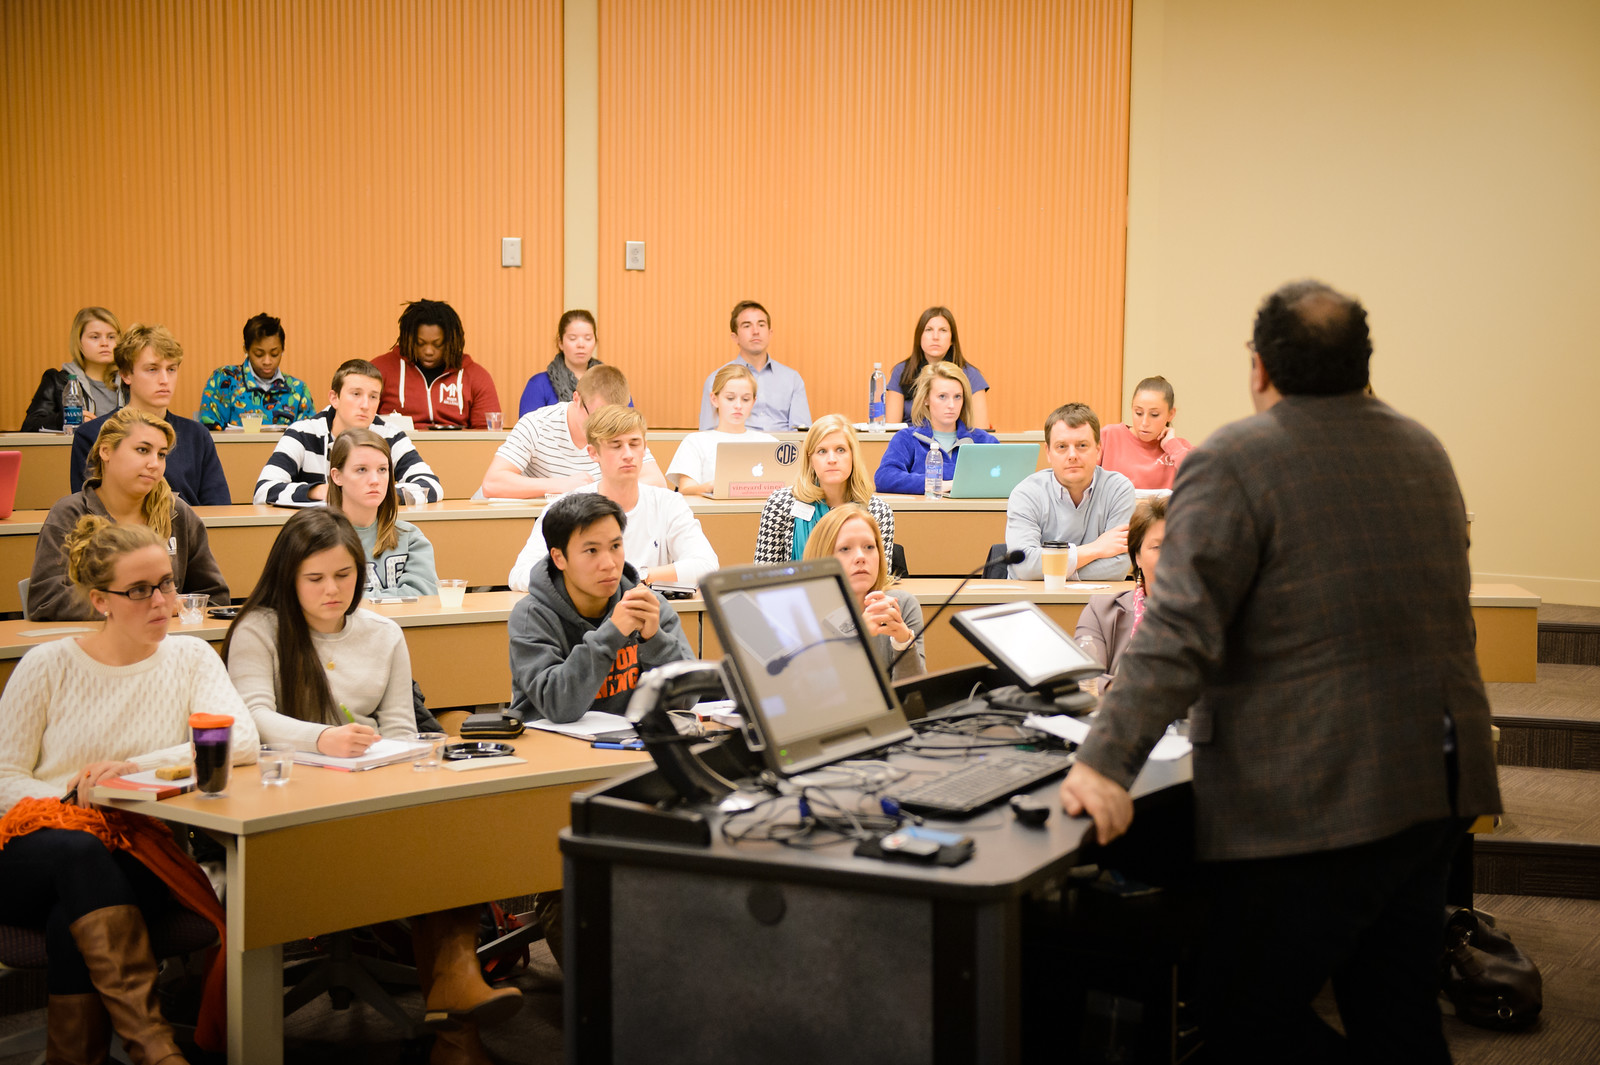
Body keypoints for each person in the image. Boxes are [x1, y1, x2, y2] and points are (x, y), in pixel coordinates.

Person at [1059, 280, 1502, 1063]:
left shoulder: (1235, 458)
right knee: (1396, 1014)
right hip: (1436, 778)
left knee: (1239, 1013)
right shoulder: (1422, 448)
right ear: (1363, 362)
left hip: (1321, 787)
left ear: (1259, 367)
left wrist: (1103, 764)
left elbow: (1176, 632)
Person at [223, 507, 520, 1062]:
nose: (332, 590)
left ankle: (457, 998)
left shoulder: (383, 632)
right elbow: (252, 716)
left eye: (345, 576)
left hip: (371, 788)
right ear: (288, 577)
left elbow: (401, 730)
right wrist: (322, 739)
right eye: (315, 579)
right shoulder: (260, 629)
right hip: (287, 801)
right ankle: (457, 1025)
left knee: (455, 829)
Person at [0, 516, 259, 1063]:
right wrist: (71, 804)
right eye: (139, 590)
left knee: (72, 912)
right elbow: (3, 777)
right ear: (100, 601)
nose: (162, 600)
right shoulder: (46, 664)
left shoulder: (191, 658)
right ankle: (156, 1049)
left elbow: (238, 743)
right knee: (79, 848)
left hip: (141, 852)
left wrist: (127, 772)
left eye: (166, 582)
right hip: (35, 849)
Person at [30, 408, 229, 621]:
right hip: (98, 646)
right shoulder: (69, 514)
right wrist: (138, 607)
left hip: (167, 644)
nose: (155, 464)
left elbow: (214, 598)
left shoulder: (178, 513)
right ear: (105, 451)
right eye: (143, 450)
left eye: (161, 454)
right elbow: (46, 599)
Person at [508, 406, 719, 592]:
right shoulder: (565, 507)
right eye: (616, 445)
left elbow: (706, 566)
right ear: (593, 453)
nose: (627, 454)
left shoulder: (668, 503)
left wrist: (637, 577)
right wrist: (589, 582)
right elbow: (521, 575)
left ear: (644, 447)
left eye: (634, 444)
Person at [69, 324, 231, 507]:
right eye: (152, 369)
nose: (164, 380)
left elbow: (218, 507)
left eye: (171, 369)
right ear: (125, 375)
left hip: (187, 531)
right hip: (118, 534)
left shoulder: (197, 435)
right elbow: (87, 510)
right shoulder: (92, 434)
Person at [254, 359, 443, 505]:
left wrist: (375, 495)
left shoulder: (390, 435)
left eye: (373, 396)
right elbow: (264, 490)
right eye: (356, 394)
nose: (365, 405)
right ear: (334, 398)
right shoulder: (302, 433)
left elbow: (431, 487)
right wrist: (323, 492)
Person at [480, 364, 666, 497]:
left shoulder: (621, 427)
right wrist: (561, 485)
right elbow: (493, 482)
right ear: (576, 399)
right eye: (596, 416)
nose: (605, 427)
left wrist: (598, 489)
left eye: (613, 418)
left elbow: (656, 481)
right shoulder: (537, 423)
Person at [1005, 403, 1134, 580]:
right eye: (1062, 447)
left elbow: (1118, 567)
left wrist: (1051, 571)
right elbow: (1025, 567)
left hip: (1097, 602)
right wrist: (1095, 549)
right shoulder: (1027, 494)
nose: (1072, 455)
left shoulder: (1118, 489)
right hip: (1032, 600)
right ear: (1048, 453)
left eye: (1082, 445)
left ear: (1098, 450)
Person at [802, 503, 925, 679]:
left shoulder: (901, 605)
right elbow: (811, 695)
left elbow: (915, 698)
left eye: (869, 547)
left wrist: (903, 643)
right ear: (822, 557)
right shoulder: (805, 612)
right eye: (845, 549)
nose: (860, 557)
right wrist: (856, 638)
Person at [754, 414, 896, 564]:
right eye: (822, 451)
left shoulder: (878, 511)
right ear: (810, 461)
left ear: (853, 456)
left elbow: (879, 577)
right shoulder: (781, 504)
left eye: (840, 450)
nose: (832, 459)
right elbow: (764, 575)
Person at [326, 428, 438, 598]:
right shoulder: (314, 539)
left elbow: (424, 595)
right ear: (337, 476)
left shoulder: (410, 538)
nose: (375, 481)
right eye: (361, 470)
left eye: (382, 470)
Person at [1073, 495, 1165, 693]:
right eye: (1158, 547)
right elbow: (1083, 675)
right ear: (1137, 556)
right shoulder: (1103, 609)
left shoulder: (1217, 613)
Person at [371, 299, 502, 429]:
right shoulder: (380, 370)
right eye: (420, 343)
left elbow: (486, 433)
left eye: (438, 344)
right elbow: (361, 424)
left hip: (457, 448)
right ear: (408, 339)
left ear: (451, 342)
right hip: (395, 447)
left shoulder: (476, 377)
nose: (428, 351)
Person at [873, 361, 999, 494]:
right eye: (942, 396)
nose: (951, 405)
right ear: (926, 398)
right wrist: (935, 485)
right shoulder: (906, 438)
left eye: (957, 397)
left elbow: (1004, 479)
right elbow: (884, 478)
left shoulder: (985, 442)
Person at [696, 301, 812, 431]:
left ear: (770, 333)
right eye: (747, 326)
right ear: (735, 337)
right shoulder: (716, 379)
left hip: (781, 449)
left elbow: (802, 432)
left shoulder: (792, 378)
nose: (756, 331)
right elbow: (707, 433)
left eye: (761, 325)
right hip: (737, 449)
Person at [667, 363, 777, 495]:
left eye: (745, 399)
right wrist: (713, 486)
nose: (738, 405)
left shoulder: (769, 443)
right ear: (714, 399)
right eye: (730, 398)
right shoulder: (696, 442)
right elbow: (686, 489)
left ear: (753, 402)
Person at [197, 313, 316, 429]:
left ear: (283, 349)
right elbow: (209, 431)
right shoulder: (224, 379)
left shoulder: (298, 390)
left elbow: (309, 437)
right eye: (259, 354)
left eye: (274, 354)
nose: (267, 361)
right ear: (246, 349)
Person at [883, 306, 990, 429]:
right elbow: (891, 429)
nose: (935, 337)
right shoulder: (902, 371)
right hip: (911, 443)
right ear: (919, 337)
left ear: (952, 340)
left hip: (955, 443)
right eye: (928, 330)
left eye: (943, 330)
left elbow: (982, 432)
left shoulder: (970, 374)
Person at [21, 307, 125, 432]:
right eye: (95, 337)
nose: (105, 343)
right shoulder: (58, 381)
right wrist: (66, 419)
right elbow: (30, 425)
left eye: (111, 337)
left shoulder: (130, 381)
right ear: (79, 342)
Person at [1097, 375, 1195, 490]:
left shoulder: (1181, 449)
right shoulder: (1109, 436)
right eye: (1138, 413)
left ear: (1171, 414)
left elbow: (1206, 480)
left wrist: (1173, 447)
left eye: (1154, 415)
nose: (1144, 422)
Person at [518, 309, 605, 415]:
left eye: (588, 338)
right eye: (573, 339)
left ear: (595, 341)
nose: (581, 345)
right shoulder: (539, 384)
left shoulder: (611, 381)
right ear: (560, 343)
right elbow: (527, 429)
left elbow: (627, 424)